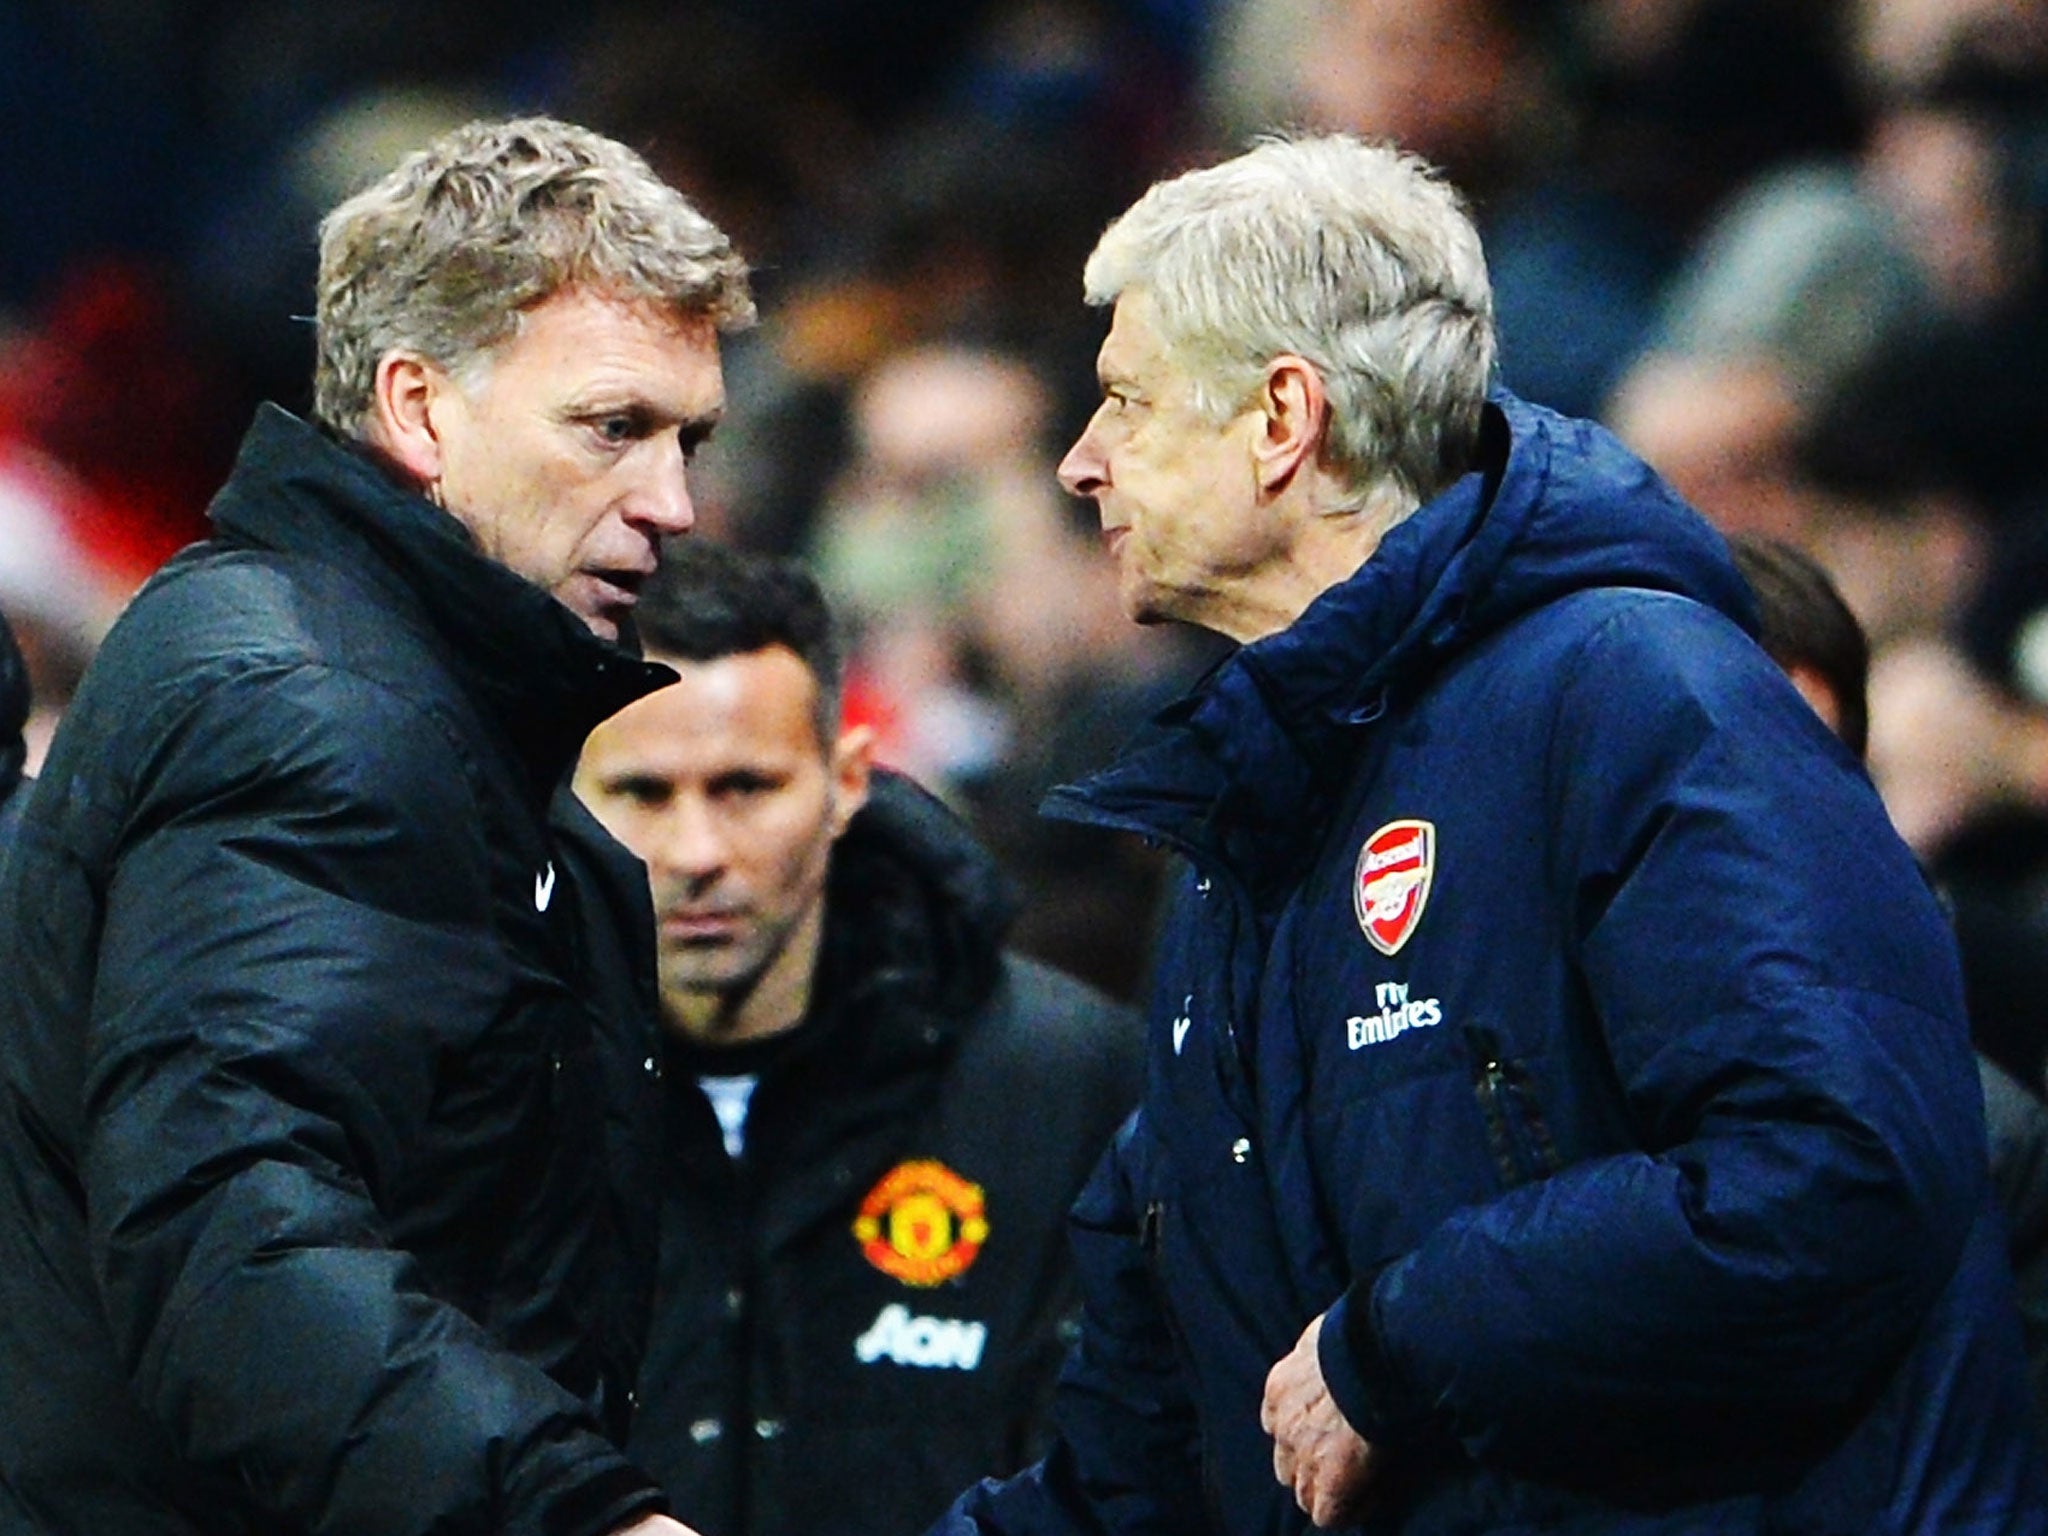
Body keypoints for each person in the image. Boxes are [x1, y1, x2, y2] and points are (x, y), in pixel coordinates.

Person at [930, 133, 2046, 1536]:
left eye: (1127, 404)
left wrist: (1392, 1347)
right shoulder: (1248, 832)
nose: (1081, 464)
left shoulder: (1636, 696)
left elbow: (1835, 1170)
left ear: (1285, 419)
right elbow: (1162, 1441)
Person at [0, 116, 752, 1535]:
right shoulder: (320, 708)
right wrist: (572, 1512)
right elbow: (231, 1220)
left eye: (689, 439)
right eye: (613, 429)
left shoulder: (391, 685)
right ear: (417, 408)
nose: (673, 505)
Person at [571, 541, 1142, 1536]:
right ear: (569, 800)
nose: (697, 852)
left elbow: (1131, 1478)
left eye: (745, 787)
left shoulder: (1063, 1080)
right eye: (645, 795)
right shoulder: (498, 1091)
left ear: (842, 782)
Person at [1731, 531, 2048, 1441]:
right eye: (1726, 778)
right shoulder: (1469, 1062)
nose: (1776, 830)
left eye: (1816, 781)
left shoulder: (1988, 1141)